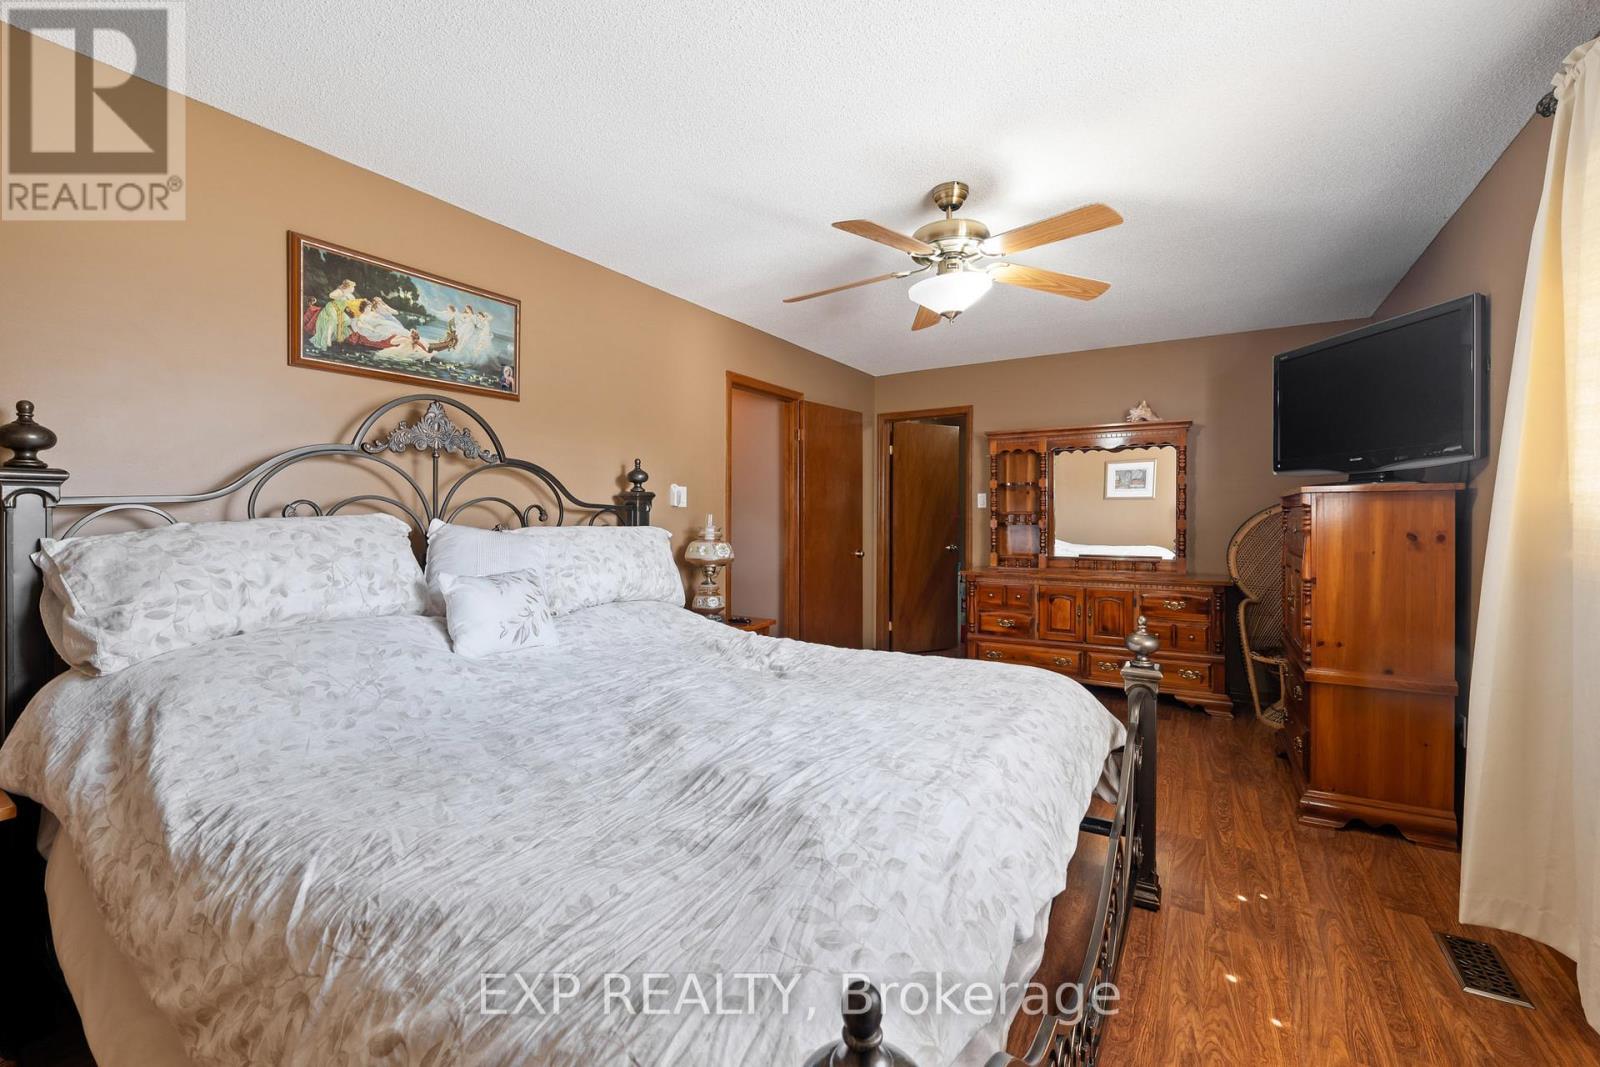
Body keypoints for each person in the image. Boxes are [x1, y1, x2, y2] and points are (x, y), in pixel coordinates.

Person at [310, 280, 356, 349]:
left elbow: (350, 305)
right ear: (348, 287)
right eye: (353, 287)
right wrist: (342, 295)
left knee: (348, 321)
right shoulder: (340, 291)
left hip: (340, 311)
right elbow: (331, 295)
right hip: (332, 307)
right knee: (333, 319)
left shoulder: (351, 296)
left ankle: (335, 336)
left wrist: (350, 309)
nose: (353, 289)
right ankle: (327, 338)